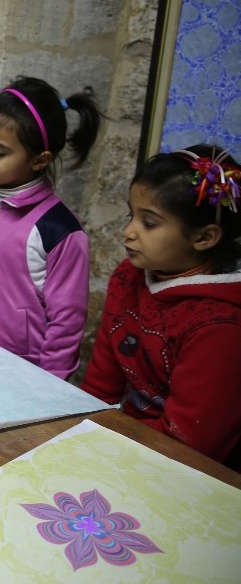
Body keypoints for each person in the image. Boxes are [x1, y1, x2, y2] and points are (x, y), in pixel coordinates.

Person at [81, 145, 241, 470]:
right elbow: (101, 383)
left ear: (204, 237)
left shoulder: (220, 325)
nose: (128, 232)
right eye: (131, 215)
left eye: (149, 223)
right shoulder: (129, 276)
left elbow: (190, 444)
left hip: (185, 468)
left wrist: (109, 446)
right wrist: (81, 431)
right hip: (128, 440)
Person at [0, 77, 101, 380]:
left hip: (18, 374)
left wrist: (48, 388)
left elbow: (66, 322)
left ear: (39, 160)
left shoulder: (59, 230)